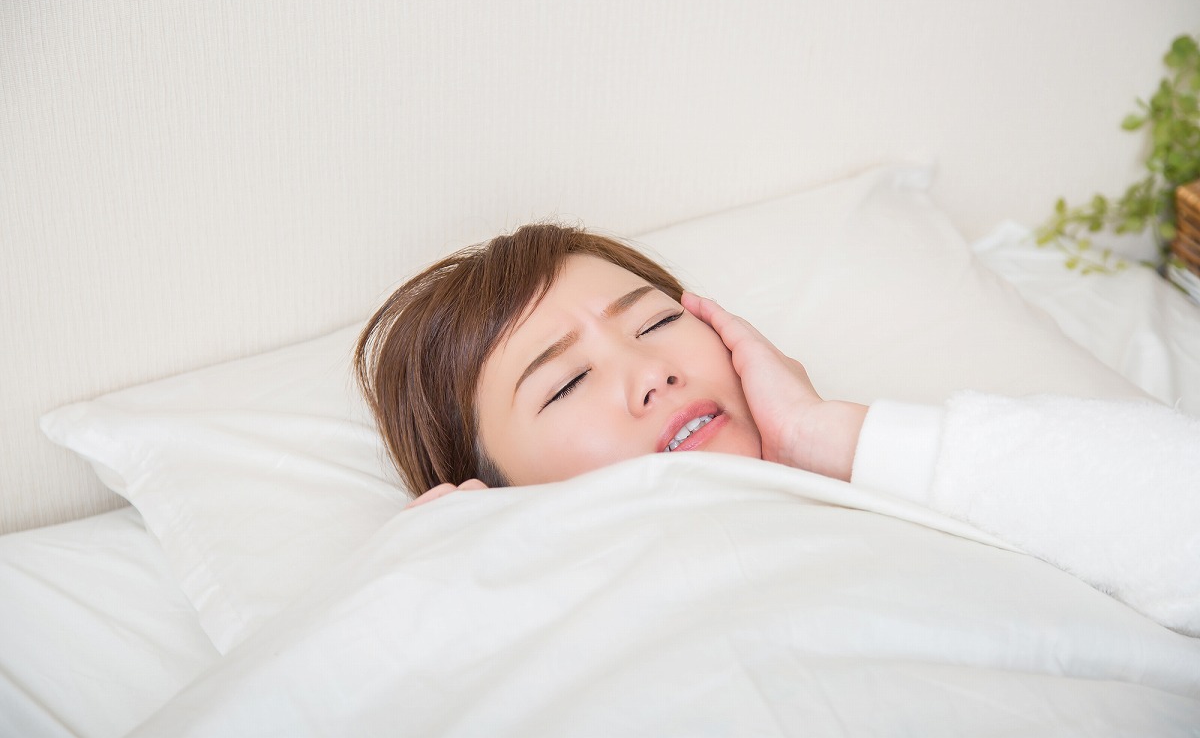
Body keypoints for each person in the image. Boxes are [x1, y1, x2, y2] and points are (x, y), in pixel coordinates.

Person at [356, 222, 1200, 636]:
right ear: (492, 490)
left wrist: (830, 435)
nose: (652, 372)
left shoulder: (927, 495)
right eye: (568, 380)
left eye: (654, 323)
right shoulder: (498, 631)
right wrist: (431, 593)